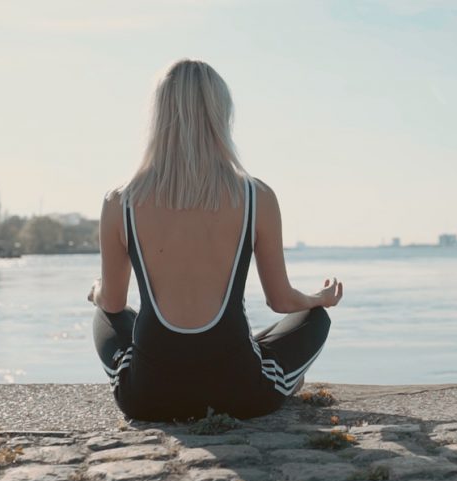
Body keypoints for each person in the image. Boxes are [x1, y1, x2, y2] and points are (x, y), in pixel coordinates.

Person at [88, 59, 343, 421]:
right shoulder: (257, 196)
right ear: (221, 114)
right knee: (314, 318)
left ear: (158, 117)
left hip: (148, 398)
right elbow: (282, 301)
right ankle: (275, 372)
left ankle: (240, 357)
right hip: (242, 393)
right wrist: (317, 299)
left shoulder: (119, 201)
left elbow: (113, 303)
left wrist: (97, 289)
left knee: (108, 315)